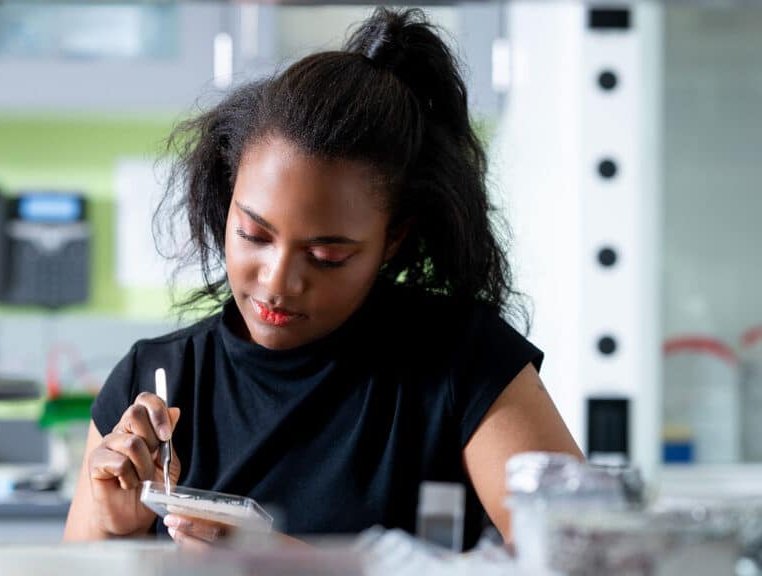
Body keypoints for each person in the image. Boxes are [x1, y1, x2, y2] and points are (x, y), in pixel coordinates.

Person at [63, 7, 582, 550]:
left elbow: (588, 564)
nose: (279, 281)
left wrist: (308, 569)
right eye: (253, 235)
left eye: (327, 255)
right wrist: (113, 528)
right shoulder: (157, 378)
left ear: (394, 240)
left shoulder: (463, 364)